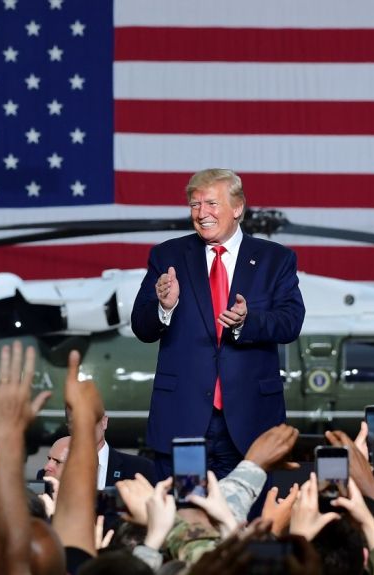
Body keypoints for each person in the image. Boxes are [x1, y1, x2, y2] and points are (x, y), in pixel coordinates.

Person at [131, 168, 305, 479]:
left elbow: (290, 323)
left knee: (246, 521)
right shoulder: (168, 255)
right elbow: (141, 328)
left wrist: (247, 321)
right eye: (195, 205)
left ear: (238, 208)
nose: (201, 214)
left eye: (211, 204)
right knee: (182, 519)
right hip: (182, 419)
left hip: (250, 423)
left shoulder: (275, 259)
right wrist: (163, 307)